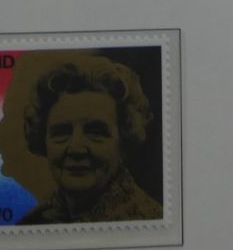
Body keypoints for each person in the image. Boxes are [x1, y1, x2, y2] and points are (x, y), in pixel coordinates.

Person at [16, 58, 162, 224]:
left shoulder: (149, 221)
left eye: (95, 132)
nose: (75, 148)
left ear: (124, 141)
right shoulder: (34, 222)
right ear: (43, 140)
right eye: (61, 132)